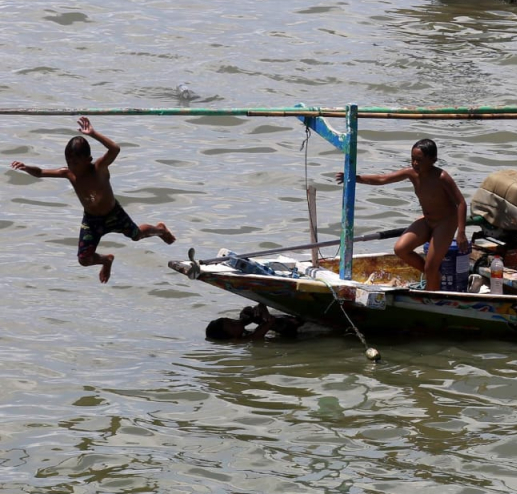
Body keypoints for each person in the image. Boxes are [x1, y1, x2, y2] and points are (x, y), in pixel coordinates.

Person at [10, 117, 175, 283]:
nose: (72, 166)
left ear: (88, 160)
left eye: (76, 162)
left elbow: (115, 149)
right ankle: (106, 260)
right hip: (91, 221)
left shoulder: (99, 169)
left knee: (137, 235)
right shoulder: (68, 174)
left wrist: (93, 133)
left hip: (114, 214)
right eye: (69, 161)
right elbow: (40, 172)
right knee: (84, 259)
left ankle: (160, 230)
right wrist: (26, 167)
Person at [336, 137, 468, 290]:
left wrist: (461, 232)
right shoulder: (411, 173)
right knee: (401, 249)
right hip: (428, 220)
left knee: (431, 267)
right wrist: (355, 178)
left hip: (445, 223)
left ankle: (430, 293)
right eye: (413, 159)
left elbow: (461, 203)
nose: (415, 163)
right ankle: (433, 275)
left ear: (433, 159)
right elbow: (383, 178)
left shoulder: (442, 177)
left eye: (419, 160)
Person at [206, 304, 304, 341]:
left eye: (231, 320)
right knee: (281, 325)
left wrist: (254, 310)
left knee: (250, 314)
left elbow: (246, 312)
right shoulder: (246, 340)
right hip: (296, 334)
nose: (235, 321)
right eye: (232, 324)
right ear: (232, 337)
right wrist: (262, 307)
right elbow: (270, 321)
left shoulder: (240, 331)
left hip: (286, 330)